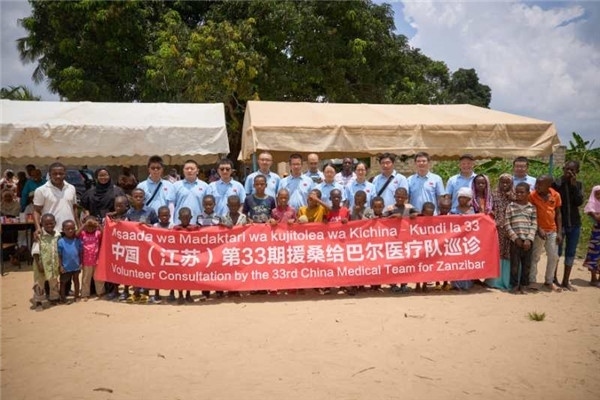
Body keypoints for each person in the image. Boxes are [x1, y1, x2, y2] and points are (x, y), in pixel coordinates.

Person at [122, 188, 158, 303]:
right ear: (132, 198)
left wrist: (148, 226)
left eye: (140, 197)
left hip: (147, 245)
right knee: (135, 269)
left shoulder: (150, 211)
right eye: (136, 196)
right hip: (134, 245)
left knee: (146, 268)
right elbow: (126, 226)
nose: (138, 198)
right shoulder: (129, 212)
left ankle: (145, 292)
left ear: (144, 198)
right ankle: (136, 292)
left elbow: (157, 226)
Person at [552, 161, 584, 290]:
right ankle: (553, 279)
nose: (569, 172)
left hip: (574, 223)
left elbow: (579, 202)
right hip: (560, 224)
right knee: (556, 252)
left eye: (572, 170)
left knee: (570, 252)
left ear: (577, 172)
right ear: (563, 169)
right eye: (567, 169)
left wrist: (574, 186)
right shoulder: (556, 183)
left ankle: (566, 281)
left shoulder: (578, 185)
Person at [529, 175, 562, 292]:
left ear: (548, 185)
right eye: (536, 183)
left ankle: (549, 281)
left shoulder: (556, 195)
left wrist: (559, 232)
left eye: (540, 184)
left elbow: (558, 214)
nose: (537, 186)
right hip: (537, 230)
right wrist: (539, 228)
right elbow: (530, 214)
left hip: (552, 230)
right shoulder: (532, 196)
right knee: (535, 256)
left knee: (553, 256)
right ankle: (532, 280)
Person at [505, 182, 537, 294]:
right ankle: (514, 285)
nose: (519, 194)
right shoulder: (511, 206)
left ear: (528, 193)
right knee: (514, 265)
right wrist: (515, 238)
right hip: (515, 241)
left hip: (528, 241)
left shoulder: (532, 208)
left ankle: (524, 285)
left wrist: (529, 239)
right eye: (517, 192)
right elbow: (507, 223)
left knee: (526, 265)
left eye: (522, 192)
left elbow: (534, 224)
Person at [485, 174, 514, 291]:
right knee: (497, 252)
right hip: (497, 229)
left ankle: (507, 280)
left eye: (507, 182)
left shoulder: (515, 196)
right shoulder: (493, 195)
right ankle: (494, 281)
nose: (505, 184)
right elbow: (489, 209)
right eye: (503, 182)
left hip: (511, 229)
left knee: (509, 253)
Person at [33, 162, 79, 236]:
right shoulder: (41, 190)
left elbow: (74, 208)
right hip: (51, 232)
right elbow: (36, 211)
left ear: (65, 174)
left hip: (70, 231)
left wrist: (78, 225)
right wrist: (38, 228)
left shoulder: (71, 188)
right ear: (49, 175)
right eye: (55, 174)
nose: (58, 176)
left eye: (61, 173)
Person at [30, 213, 61, 310]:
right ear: (42, 224)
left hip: (53, 263)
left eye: (51, 223)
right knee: (40, 283)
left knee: (53, 281)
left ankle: (54, 298)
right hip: (41, 264)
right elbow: (35, 252)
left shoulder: (58, 235)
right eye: (46, 224)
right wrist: (39, 264)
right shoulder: (39, 235)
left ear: (55, 223)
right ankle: (39, 302)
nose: (49, 225)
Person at [104, 195, 130, 300]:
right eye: (116, 206)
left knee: (126, 270)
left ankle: (126, 290)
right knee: (115, 269)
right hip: (114, 248)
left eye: (120, 206)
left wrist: (122, 223)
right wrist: (109, 217)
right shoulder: (111, 217)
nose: (118, 208)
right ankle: (115, 290)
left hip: (126, 248)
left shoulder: (129, 216)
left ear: (126, 206)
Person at [171, 207, 199, 304]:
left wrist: (195, 230)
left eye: (187, 218)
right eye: (183, 218)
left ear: (191, 217)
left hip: (190, 257)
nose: (185, 220)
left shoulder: (194, 228)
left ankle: (188, 294)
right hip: (178, 257)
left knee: (189, 277)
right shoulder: (175, 229)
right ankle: (180, 295)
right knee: (179, 278)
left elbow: (203, 236)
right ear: (179, 218)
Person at [196, 195, 222, 298]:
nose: (208, 206)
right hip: (204, 249)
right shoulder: (199, 217)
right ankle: (205, 291)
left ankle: (219, 290)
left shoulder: (218, 217)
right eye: (206, 204)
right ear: (203, 204)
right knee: (204, 268)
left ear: (214, 204)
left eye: (210, 204)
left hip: (216, 248)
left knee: (217, 269)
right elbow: (197, 231)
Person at [450, 187, 475, 291]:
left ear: (469, 199)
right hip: (456, 241)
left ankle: (467, 283)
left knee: (467, 261)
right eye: (460, 197)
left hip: (468, 240)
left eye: (464, 197)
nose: (462, 199)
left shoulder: (473, 211)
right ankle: (456, 284)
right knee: (456, 261)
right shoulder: (453, 211)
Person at [172, 159, 209, 225]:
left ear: (197, 171)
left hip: (198, 223)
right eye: (187, 169)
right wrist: (171, 222)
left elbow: (207, 206)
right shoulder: (175, 186)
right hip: (179, 223)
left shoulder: (205, 186)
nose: (189, 170)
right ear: (183, 171)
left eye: (192, 169)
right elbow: (171, 205)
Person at [77, 216, 103, 300]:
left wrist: (98, 225)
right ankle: (85, 293)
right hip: (86, 261)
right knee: (86, 278)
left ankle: (100, 292)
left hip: (97, 260)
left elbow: (104, 234)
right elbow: (76, 234)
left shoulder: (97, 233)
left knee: (98, 278)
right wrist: (84, 225)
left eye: (93, 227)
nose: (91, 228)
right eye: (89, 226)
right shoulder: (83, 233)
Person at [57, 220, 82, 303]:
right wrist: (61, 266)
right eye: (68, 229)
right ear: (63, 230)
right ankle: (63, 297)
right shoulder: (61, 242)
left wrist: (81, 263)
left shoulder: (77, 240)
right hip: (65, 266)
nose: (70, 230)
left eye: (72, 228)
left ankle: (76, 296)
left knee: (76, 281)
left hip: (76, 266)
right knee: (63, 282)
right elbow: (59, 255)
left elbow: (80, 253)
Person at [583, 185, 600, 287]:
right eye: (597, 194)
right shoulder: (591, 206)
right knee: (594, 254)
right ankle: (593, 278)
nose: (599, 196)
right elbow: (597, 218)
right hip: (597, 233)